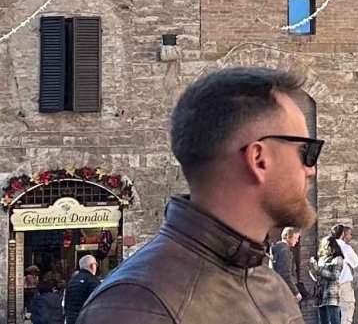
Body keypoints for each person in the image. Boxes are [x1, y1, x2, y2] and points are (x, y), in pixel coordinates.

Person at [77, 67, 315, 324]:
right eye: (306, 152)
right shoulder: (135, 306)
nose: (311, 169)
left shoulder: (271, 284)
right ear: (259, 159)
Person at [311, 233, 346, 324]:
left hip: (331, 292)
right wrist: (312, 268)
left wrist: (319, 270)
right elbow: (316, 277)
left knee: (334, 318)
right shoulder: (322, 259)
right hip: (321, 292)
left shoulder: (337, 259)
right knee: (323, 319)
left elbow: (334, 275)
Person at [333, 225, 358, 324]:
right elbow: (355, 263)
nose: (351, 237)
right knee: (347, 308)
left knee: (332, 312)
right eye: (349, 234)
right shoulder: (345, 247)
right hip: (343, 282)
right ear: (343, 235)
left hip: (330, 283)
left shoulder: (326, 246)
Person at [61, 256, 100, 324]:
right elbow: (98, 301)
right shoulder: (92, 281)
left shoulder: (71, 281)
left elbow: (65, 302)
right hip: (86, 318)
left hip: (71, 319)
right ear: (92, 266)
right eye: (96, 264)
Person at [271, 227, 303, 302]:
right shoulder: (285, 252)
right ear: (288, 237)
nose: (297, 241)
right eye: (295, 238)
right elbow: (285, 274)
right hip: (285, 289)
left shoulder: (278, 250)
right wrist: (295, 292)